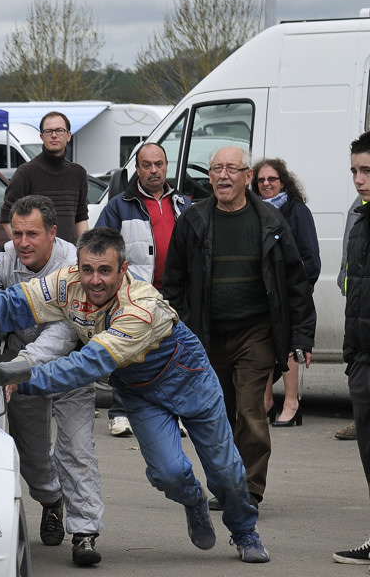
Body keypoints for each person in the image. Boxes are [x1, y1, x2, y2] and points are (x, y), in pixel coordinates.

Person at [0, 227, 270, 563]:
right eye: (88, 269)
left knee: (225, 473)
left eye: (105, 270)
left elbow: (86, 365)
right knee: (168, 473)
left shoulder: (141, 305)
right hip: (139, 391)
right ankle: (193, 500)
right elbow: (10, 305)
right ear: (77, 266)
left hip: (189, 378)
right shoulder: (66, 282)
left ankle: (244, 534)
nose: (95, 280)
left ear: (123, 270)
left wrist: (20, 376)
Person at [162, 147, 316, 509]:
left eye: (232, 169)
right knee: (221, 414)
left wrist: (302, 335)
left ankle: (250, 490)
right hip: (207, 334)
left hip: (256, 332)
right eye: (217, 168)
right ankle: (228, 485)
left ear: (247, 177)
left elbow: (296, 281)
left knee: (250, 410)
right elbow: (174, 281)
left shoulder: (270, 222)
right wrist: (177, 327)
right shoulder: (194, 220)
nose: (222, 176)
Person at [0, 195, 106, 566]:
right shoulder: (4, 257)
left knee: (76, 447)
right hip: (20, 363)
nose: (23, 242)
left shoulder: (74, 264)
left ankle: (85, 531)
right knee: (32, 452)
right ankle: (51, 500)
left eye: (32, 234)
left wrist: (21, 366)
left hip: (71, 362)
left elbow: (62, 331)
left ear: (52, 233)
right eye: (17, 232)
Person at [95, 142, 191, 437]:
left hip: (175, 294)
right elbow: (101, 247)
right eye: (147, 165)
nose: (154, 170)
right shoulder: (120, 206)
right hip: (134, 295)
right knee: (128, 354)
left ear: (166, 166)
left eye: (159, 164)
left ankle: (171, 412)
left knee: (174, 356)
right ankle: (120, 413)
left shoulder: (184, 204)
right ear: (137, 169)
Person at [253, 158, 320, 428]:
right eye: (261, 180)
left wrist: (298, 291)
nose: (266, 184)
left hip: (291, 293)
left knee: (292, 348)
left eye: (272, 179)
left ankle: (291, 403)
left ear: (283, 182)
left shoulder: (297, 211)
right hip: (264, 295)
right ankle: (267, 402)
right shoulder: (253, 211)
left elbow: (311, 259)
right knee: (266, 348)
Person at [334, 131, 370, 565]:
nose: (359, 180)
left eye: (367, 171)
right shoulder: (357, 217)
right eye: (355, 172)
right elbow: (350, 283)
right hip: (362, 354)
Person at [1, 111, 88, 243]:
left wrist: (84, 251)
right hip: (37, 260)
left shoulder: (78, 173)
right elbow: (6, 217)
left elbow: (81, 218)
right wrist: (23, 247)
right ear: (42, 136)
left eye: (59, 130)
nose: (54, 135)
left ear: (68, 135)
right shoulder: (25, 173)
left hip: (70, 258)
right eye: (48, 131)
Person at [337, 198, 366, 440]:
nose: (359, 179)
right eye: (355, 172)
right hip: (357, 304)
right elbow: (350, 249)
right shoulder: (358, 206)